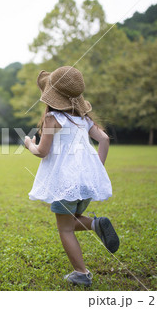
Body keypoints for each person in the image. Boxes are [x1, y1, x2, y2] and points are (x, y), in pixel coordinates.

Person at [24, 66, 119, 287]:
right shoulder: (83, 119)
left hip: (65, 183)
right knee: (72, 221)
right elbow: (104, 140)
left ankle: (81, 273)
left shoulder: (52, 119)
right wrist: (97, 168)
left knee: (65, 228)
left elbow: (42, 151)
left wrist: (29, 144)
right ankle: (97, 225)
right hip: (85, 183)